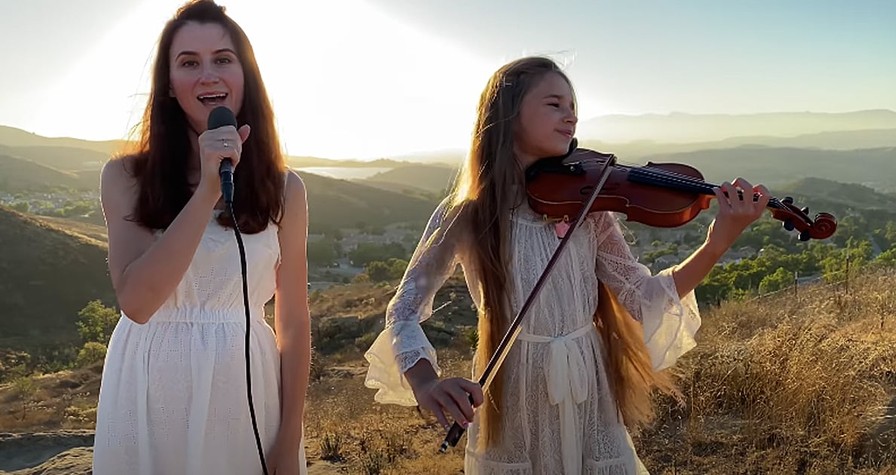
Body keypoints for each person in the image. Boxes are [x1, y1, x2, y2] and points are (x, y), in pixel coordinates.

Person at [363, 56, 770, 474]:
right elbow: (404, 309)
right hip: (513, 392)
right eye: (555, 104)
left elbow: (642, 295)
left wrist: (718, 242)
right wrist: (427, 381)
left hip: (588, 383)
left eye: (574, 107)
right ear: (508, 115)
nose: (571, 116)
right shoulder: (468, 213)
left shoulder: (588, 207)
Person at [92, 1, 310, 474]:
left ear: (245, 74)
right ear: (169, 85)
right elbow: (137, 301)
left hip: (245, 387)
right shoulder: (125, 177)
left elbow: (293, 319)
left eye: (223, 59)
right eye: (189, 62)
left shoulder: (285, 188)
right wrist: (209, 191)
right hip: (149, 386)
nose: (207, 74)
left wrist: (289, 436)